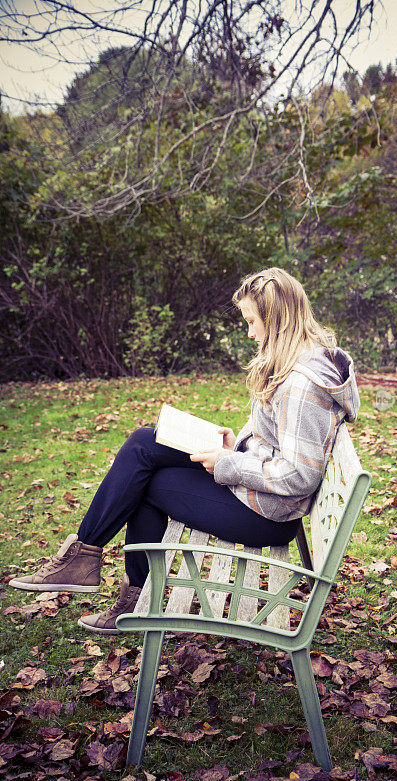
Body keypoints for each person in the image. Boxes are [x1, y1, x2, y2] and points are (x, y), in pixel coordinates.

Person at [9, 268, 359, 633]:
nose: (250, 332)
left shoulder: (302, 385)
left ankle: (122, 592)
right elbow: (277, 437)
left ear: (278, 321)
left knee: (144, 484)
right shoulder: (300, 363)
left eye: (253, 321)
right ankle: (88, 559)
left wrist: (229, 463)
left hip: (267, 513)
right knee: (145, 441)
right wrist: (233, 445)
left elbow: (300, 476)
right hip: (261, 493)